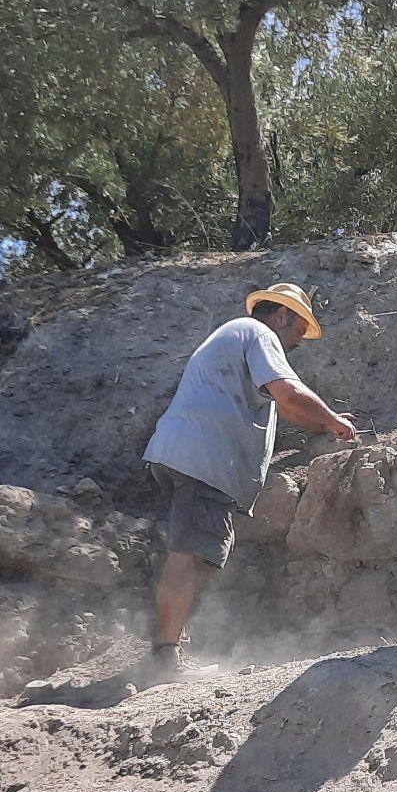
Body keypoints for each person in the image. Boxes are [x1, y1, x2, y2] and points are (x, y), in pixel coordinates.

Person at [141, 283, 355, 681]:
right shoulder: (258, 333)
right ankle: (164, 657)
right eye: (298, 331)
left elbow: (291, 410)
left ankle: (168, 642)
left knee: (204, 555)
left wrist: (327, 424)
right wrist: (332, 421)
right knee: (190, 553)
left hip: (192, 456)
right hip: (202, 459)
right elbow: (288, 393)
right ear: (282, 315)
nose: (298, 343)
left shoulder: (237, 336)